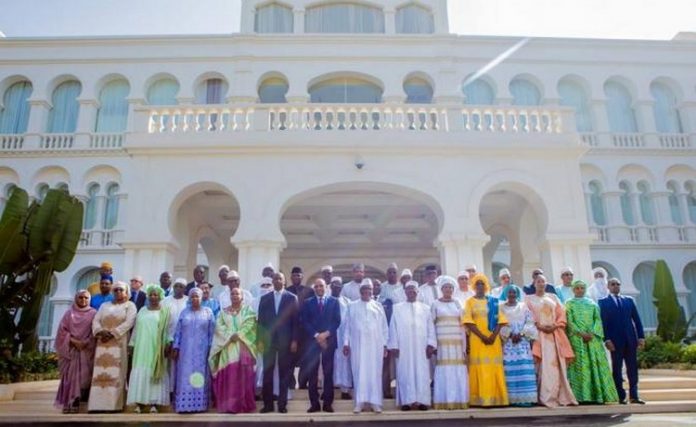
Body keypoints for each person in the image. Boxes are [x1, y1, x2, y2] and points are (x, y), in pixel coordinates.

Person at [525, 274, 577, 408]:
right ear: (534, 284)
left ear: (546, 283)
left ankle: (559, 396)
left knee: (555, 366)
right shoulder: (528, 299)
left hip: (554, 336)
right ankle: (543, 397)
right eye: (538, 281)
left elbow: (561, 314)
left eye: (543, 281)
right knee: (542, 366)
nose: (541, 283)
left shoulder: (553, 297)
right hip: (538, 336)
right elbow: (527, 316)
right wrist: (539, 326)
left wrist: (555, 326)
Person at [566, 280, 619, 404]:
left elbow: (598, 320)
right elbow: (569, 321)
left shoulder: (592, 304)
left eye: (582, 288)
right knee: (581, 368)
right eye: (577, 288)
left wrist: (592, 333)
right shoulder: (568, 304)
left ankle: (598, 395)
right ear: (573, 290)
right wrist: (580, 333)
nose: (580, 290)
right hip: (577, 341)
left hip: (593, 340)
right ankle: (582, 396)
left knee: (596, 366)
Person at [88, 281, 137, 412]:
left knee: (117, 374)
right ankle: (96, 405)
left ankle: (114, 405)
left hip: (118, 343)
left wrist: (113, 333)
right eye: (116, 290)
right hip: (102, 343)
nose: (118, 292)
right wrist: (100, 331)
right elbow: (96, 320)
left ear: (126, 292)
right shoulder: (104, 305)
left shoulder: (130, 306)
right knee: (101, 374)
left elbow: (129, 322)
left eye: (121, 290)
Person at [387, 281, 436, 411]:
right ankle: (406, 401)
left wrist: (431, 344)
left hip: (421, 347)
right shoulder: (397, 308)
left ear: (417, 292)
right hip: (403, 348)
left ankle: (422, 401)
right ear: (405, 292)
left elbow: (430, 327)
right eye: (408, 290)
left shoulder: (425, 308)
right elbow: (393, 328)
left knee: (422, 373)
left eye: (413, 290)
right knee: (404, 372)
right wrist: (394, 345)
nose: (411, 292)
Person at [342, 279, 389, 414]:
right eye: (364, 290)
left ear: (372, 291)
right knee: (359, 372)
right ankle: (360, 402)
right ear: (360, 291)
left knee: (374, 373)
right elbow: (347, 327)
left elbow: (384, 327)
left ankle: (375, 402)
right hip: (357, 346)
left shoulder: (378, 306)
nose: (367, 292)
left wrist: (385, 345)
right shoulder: (352, 306)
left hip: (375, 346)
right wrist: (346, 343)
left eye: (369, 289)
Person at [463, 274, 509, 407]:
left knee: (493, 367)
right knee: (480, 367)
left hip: (493, 340)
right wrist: (483, 336)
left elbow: (501, 320)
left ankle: (497, 398)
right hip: (477, 340)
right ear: (473, 286)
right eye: (477, 284)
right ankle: (481, 399)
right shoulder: (469, 302)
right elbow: (468, 321)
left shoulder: (493, 301)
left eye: (482, 283)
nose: (480, 286)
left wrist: (493, 336)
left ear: (486, 286)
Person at [209, 287, 258, 413]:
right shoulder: (223, 312)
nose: (235, 295)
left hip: (243, 347)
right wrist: (230, 335)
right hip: (227, 347)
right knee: (230, 376)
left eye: (237, 293)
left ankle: (243, 405)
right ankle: (229, 406)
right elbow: (219, 327)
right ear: (230, 296)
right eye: (233, 294)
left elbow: (250, 325)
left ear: (242, 296)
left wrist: (239, 334)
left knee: (243, 377)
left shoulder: (248, 311)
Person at [599, 278, 645, 405]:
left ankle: (634, 396)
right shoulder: (603, 303)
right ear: (608, 286)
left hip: (631, 340)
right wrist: (606, 339)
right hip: (615, 342)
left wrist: (641, 337)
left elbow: (637, 320)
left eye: (618, 284)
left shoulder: (628, 301)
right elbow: (603, 324)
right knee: (617, 369)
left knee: (632, 369)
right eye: (613, 284)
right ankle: (620, 396)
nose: (615, 286)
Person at [257, 272, 299, 413]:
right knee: (267, 374)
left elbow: (296, 322)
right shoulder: (264, 299)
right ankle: (268, 405)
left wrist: (294, 340)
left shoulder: (292, 298)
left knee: (284, 373)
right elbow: (260, 323)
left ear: (284, 281)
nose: (277, 280)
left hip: (285, 341)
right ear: (272, 281)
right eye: (275, 278)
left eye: (280, 278)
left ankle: (282, 405)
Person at [127, 285, 171, 413]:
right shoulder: (142, 310)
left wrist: (168, 344)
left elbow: (167, 330)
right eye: (151, 294)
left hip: (156, 348)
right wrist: (132, 344)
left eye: (155, 294)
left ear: (160, 296)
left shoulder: (165, 311)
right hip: (141, 347)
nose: (153, 297)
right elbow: (136, 329)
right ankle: (139, 403)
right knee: (141, 372)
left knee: (154, 371)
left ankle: (154, 404)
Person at [300, 278, 341, 413]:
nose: (319, 288)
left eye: (321, 286)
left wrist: (325, 334)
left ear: (325, 287)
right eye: (316, 286)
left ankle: (328, 404)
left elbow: (337, 321)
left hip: (328, 342)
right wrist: (317, 335)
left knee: (328, 373)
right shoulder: (307, 303)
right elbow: (304, 321)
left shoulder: (334, 302)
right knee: (313, 374)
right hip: (313, 343)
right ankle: (314, 404)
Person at [172, 287, 215, 413]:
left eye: (197, 296)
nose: (195, 299)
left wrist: (211, 348)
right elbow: (178, 331)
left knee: (200, 375)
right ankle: (184, 405)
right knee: (184, 375)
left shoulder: (208, 312)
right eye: (193, 296)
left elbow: (212, 333)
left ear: (202, 298)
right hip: (185, 351)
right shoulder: (184, 312)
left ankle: (199, 405)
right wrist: (176, 346)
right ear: (190, 298)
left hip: (202, 351)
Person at [55, 290, 97, 413]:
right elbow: (62, 331)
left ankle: (77, 401)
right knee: (69, 378)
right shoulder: (69, 314)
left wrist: (85, 342)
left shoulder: (93, 313)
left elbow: (95, 331)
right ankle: (68, 402)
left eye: (86, 298)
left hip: (86, 350)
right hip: (71, 350)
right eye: (80, 298)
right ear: (76, 298)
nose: (83, 300)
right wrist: (74, 341)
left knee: (83, 378)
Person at [430, 276, 469, 410]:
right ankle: (444, 400)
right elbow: (431, 325)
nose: (448, 290)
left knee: (457, 367)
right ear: (441, 289)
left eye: (450, 287)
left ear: (453, 289)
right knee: (444, 368)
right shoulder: (435, 304)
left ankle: (459, 399)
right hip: (442, 342)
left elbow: (463, 322)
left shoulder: (458, 303)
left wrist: (465, 344)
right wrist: (433, 342)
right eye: (445, 287)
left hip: (457, 342)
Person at [499, 285, 538, 407]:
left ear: (517, 293)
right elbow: (498, 323)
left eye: (514, 292)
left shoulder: (523, 307)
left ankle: (526, 398)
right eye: (509, 292)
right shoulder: (501, 308)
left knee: (524, 368)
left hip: (522, 342)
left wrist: (521, 334)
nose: (512, 294)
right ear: (506, 294)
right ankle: (512, 398)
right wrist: (510, 334)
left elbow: (530, 322)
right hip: (508, 343)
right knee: (510, 370)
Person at [286, 266, 315, 390]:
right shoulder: (287, 291)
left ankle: (303, 384)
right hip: (290, 330)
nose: (296, 277)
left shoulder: (309, 291)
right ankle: (290, 384)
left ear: (302, 277)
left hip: (305, 331)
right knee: (290, 358)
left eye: (299, 275)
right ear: (291, 277)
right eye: (294, 275)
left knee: (305, 359)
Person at [162, 278, 189, 397]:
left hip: (186, 340)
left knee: (183, 366)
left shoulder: (188, 301)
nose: (178, 288)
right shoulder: (165, 301)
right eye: (176, 286)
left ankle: (181, 390)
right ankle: (169, 392)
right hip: (169, 338)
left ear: (185, 289)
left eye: (181, 286)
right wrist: (167, 340)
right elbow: (163, 322)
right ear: (173, 287)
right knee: (169, 367)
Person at [331, 276, 353, 400]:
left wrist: (347, 340)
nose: (336, 287)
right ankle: (329, 388)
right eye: (334, 285)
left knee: (345, 363)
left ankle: (345, 390)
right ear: (331, 286)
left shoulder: (348, 302)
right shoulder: (327, 300)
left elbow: (350, 322)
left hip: (344, 337)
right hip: (330, 337)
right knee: (329, 364)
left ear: (341, 287)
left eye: (338, 285)